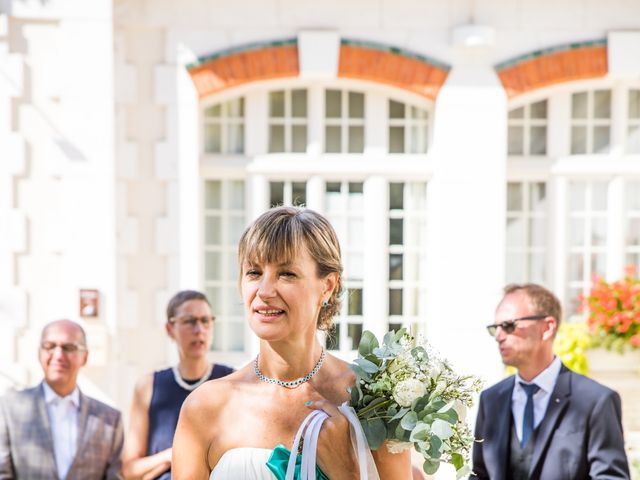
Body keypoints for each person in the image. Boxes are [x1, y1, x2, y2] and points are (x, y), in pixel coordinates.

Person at [172, 206, 411, 479]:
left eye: (286, 274)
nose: (264, 291)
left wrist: (346, 471)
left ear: (328, 286)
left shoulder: (375, 403)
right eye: (254, 272)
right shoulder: (205, 407)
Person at [471, 283, 630, 480]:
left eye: (508, 326)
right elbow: (480, 475)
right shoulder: (491, 399)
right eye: (495, 328)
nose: (498, 336)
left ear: (547, 328)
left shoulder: (596, 401)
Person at [122, 290, 234, 480]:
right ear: (169, 329)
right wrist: (173, 455)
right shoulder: (148, 386)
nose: (199, 329)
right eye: (190, 321)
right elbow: (130, 470)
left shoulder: (232, 382)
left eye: (206, 320)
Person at [0, 319, 123, 479]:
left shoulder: (109, 419)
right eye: (49, 346)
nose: (58, 355)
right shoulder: (9, 408)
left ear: (84, 357)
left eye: (68, 348)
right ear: (40, 353)